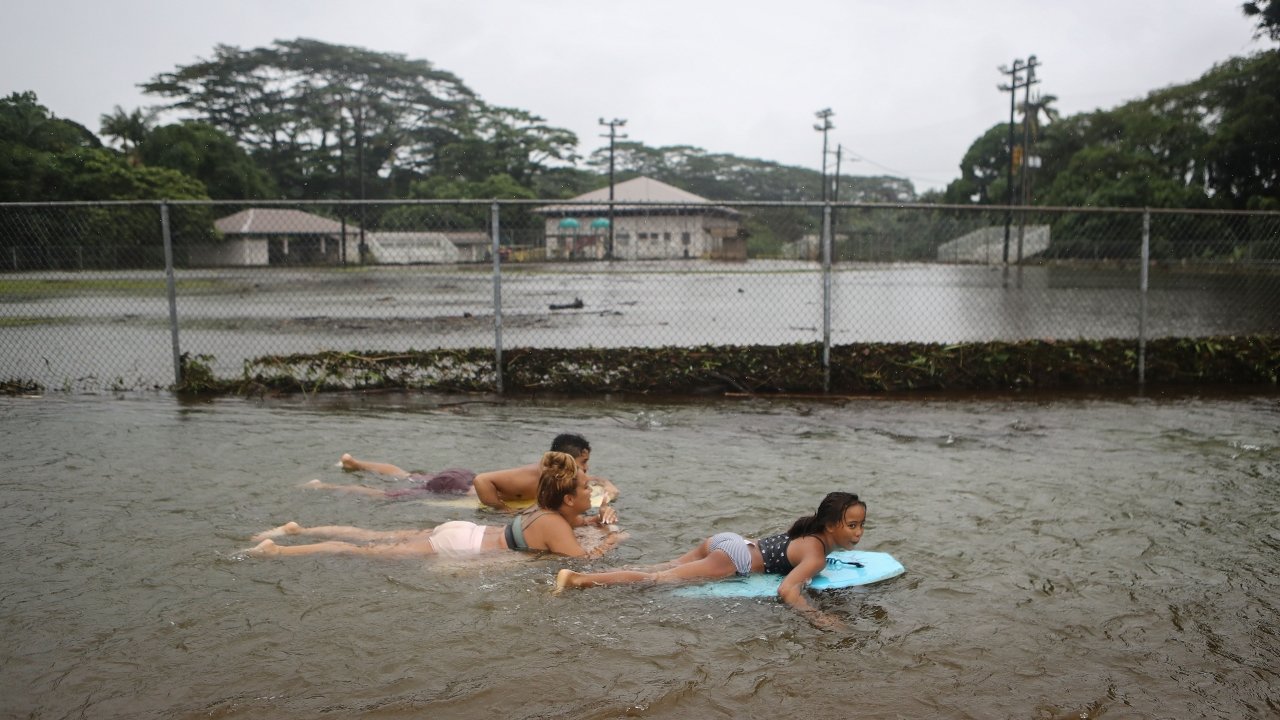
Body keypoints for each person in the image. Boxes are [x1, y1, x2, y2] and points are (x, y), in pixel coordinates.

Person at [554, 492, 867, 629]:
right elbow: (787, 590)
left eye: (861, 524)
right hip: (734, 558)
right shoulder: (816, 556)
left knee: (661, 567)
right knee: (657, 580)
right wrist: (819, 617)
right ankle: (577, 579)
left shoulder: (809, 534)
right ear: (829, 526)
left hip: (731, 541)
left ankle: (591, 574)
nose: (859, 532)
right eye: (852, 525)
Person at [246, 452, 624, 559]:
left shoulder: (546, 511)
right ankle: (278, 549)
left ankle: (300, 529)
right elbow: (583, 562)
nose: (593, 491)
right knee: (361, 550)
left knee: (373, 536)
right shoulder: (556, 525)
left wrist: (597, 521)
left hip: (465, 532)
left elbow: (573, 528)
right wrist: (612, 538)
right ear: (570, 499)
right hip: (461, 545)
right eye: (587, 487)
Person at [304, 433, 619, 512]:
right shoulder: (536, 476)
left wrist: (605, 484)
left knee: (408, 475)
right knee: (392, 493)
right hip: (460, 485)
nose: (587, 472)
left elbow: (592, 483)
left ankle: (355, 463)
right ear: (568, 460)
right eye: (584, 464)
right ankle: (325, 486)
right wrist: (502, 510)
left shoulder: (554, 469)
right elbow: (484, 482)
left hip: (462, 476)